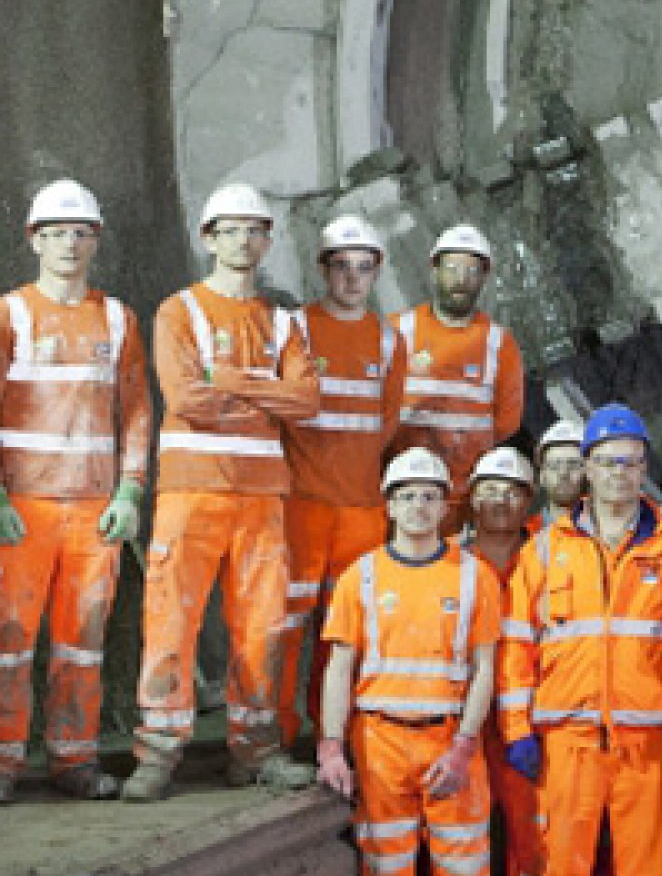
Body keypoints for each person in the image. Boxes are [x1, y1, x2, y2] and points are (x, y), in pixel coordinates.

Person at [126, 182, 321, 801]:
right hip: (191, 492)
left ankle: (256, 751)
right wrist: (265, 393)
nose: (244, 240)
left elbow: (307, 401)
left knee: (261, 627)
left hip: (262, 497)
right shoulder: (179, 311)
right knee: (170, 623)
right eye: (230, 229)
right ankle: (157, 754)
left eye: (254, 229)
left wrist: (229, 382)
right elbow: (185, 398)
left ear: (267, 239)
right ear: (208, 237)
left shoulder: (285, 320)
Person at [504, 404, 662, 876]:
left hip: (649, 738)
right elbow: (516, 647)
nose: (620, 474)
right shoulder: (546, 551)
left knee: (648, 864)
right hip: (569, 737)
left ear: (645, 469)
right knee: (564, 861)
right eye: (609, 462)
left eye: (632, 462)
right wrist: (516, 731)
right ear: (585, 469)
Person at [315, 447, 503, 876]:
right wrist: (330, 745)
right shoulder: (362, 577)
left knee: (464, 874)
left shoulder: (474, 576)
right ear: (390, 505)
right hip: (380, 743)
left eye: (429, 497)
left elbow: (485, 670)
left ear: (444, 507)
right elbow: (339, 666)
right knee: (388, 873)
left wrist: (466, 745)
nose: (419, 507)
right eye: (407, 496)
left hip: (451, 742)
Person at [0, 179, 150, 801]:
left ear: (95, 242)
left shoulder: (116, 319)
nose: (69, 244)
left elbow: (137, 410)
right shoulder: (9, 313)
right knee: (8, 641)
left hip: (94, 511)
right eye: (57, 233)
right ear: (34, 240)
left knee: (82, 643)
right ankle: (4, 765)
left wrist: (131, 492)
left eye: (80, 234)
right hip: (23, 512)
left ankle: (74, 761)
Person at [280, 214, 406, 750]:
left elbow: (387, 423)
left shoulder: (386, 340)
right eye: (341, 267)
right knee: (285, 629)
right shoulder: (296, 329)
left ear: (376, 273)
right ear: (322, 270)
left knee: (345, 633)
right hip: (301, 507)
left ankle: (333, 732)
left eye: (363, 268)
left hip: (360, 509)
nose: (352, 279)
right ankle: (278, 736)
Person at [393, 224, 524, 530]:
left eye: (472, 270)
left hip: (465, 500)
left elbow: (506, 422)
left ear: (484, 277)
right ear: (434, 269)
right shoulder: (398, 331)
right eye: (452, 268)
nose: (461, 280)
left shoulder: (498, 343)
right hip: (405, 494)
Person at [463, 444, 540, 876]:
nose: (500, 501)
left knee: (530, 840)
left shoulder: (549, 553)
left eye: (512, 492)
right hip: (462, 724)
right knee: (460, 844)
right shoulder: (447, 557)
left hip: (525, 722)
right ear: (470, 498)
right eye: (489, 490)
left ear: (528, 500)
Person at [534, 419, 586, 524]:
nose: (563, 473)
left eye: (574, 463)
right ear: (542, 476)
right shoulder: (526, 535)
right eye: (554, 465)